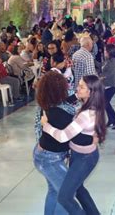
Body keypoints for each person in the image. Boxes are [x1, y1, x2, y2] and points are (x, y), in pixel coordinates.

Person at [41, 75, 107, 215]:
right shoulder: (90, 102)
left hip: (85, 158)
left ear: (91, 92)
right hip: (79, 155)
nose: (77, 88)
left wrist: (45, 125)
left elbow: (62, 136)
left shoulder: (87, 114)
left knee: (64, 197)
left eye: (82, 87)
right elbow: (73, 97)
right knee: (79, 190)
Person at [33, 71, 77, 215]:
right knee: (65, 195)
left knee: (54, 190)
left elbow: (69, 101)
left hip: (44, 154)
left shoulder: (48, 105)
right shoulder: (60, 113)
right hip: (49, 159)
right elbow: (65, 136)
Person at [102, 44, 115, 129]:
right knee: (105, 103)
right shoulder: (109, 60)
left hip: (112, 85)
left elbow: (109, 74)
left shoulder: (113, 61)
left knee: (105, 102)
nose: (104, 52)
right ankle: (111, 119)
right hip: (108, 84)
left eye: (105, 51)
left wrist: (100, 77)